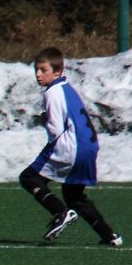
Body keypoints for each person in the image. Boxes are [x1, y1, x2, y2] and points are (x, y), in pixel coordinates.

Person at [19, 47, 122, 246]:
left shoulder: (52, 93)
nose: (38, 74)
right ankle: (110, 236)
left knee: (28, 178)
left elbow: (56, 130)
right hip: (89, 148)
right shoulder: (67, 88)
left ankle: (60, 213)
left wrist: (44, 119)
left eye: (43, 70)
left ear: (57, 71)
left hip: (70, 148)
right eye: (36, 70)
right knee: (74, 196)